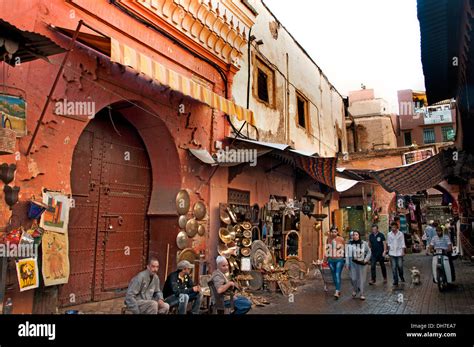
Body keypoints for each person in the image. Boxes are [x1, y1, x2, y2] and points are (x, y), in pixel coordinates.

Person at [346, 230, 371, 300]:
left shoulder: (364, 243)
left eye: (356, 234)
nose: (355, 236)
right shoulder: (350, 244)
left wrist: (366, 260)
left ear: (359, 236)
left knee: (361, 279)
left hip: (362, 264)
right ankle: (355, 289)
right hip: (352, 263)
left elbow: (369, 252)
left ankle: (362, 294)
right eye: (354, 235)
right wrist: (347, 263)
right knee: (353, 278)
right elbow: (347, 254)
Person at [324, 226, 345, 299]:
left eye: (335, 232)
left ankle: (337, 291)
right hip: (331, 260)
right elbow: (327, 249)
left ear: (337, 232)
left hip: (339, 259)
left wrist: (339, 248)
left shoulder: (341, 239)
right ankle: (338, 288)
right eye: (332, 232)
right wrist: (325, 259)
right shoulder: (328, 239)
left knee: (337, 274)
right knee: (334, 274)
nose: (334, 233)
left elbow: (343, 248)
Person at [387, 222, 406, 288]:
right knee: (394, 267)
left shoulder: (401, 234)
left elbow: (403, 243)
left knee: (400, 266)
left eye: (394, 227)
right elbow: (388, 243)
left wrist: (403, 251)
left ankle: (401, 276)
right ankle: (395, 280)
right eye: (392, 227)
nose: (393, 229)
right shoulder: (389, 234)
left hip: (399, 252)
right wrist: (388, 252)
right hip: (392, 253)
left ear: (396, 227)